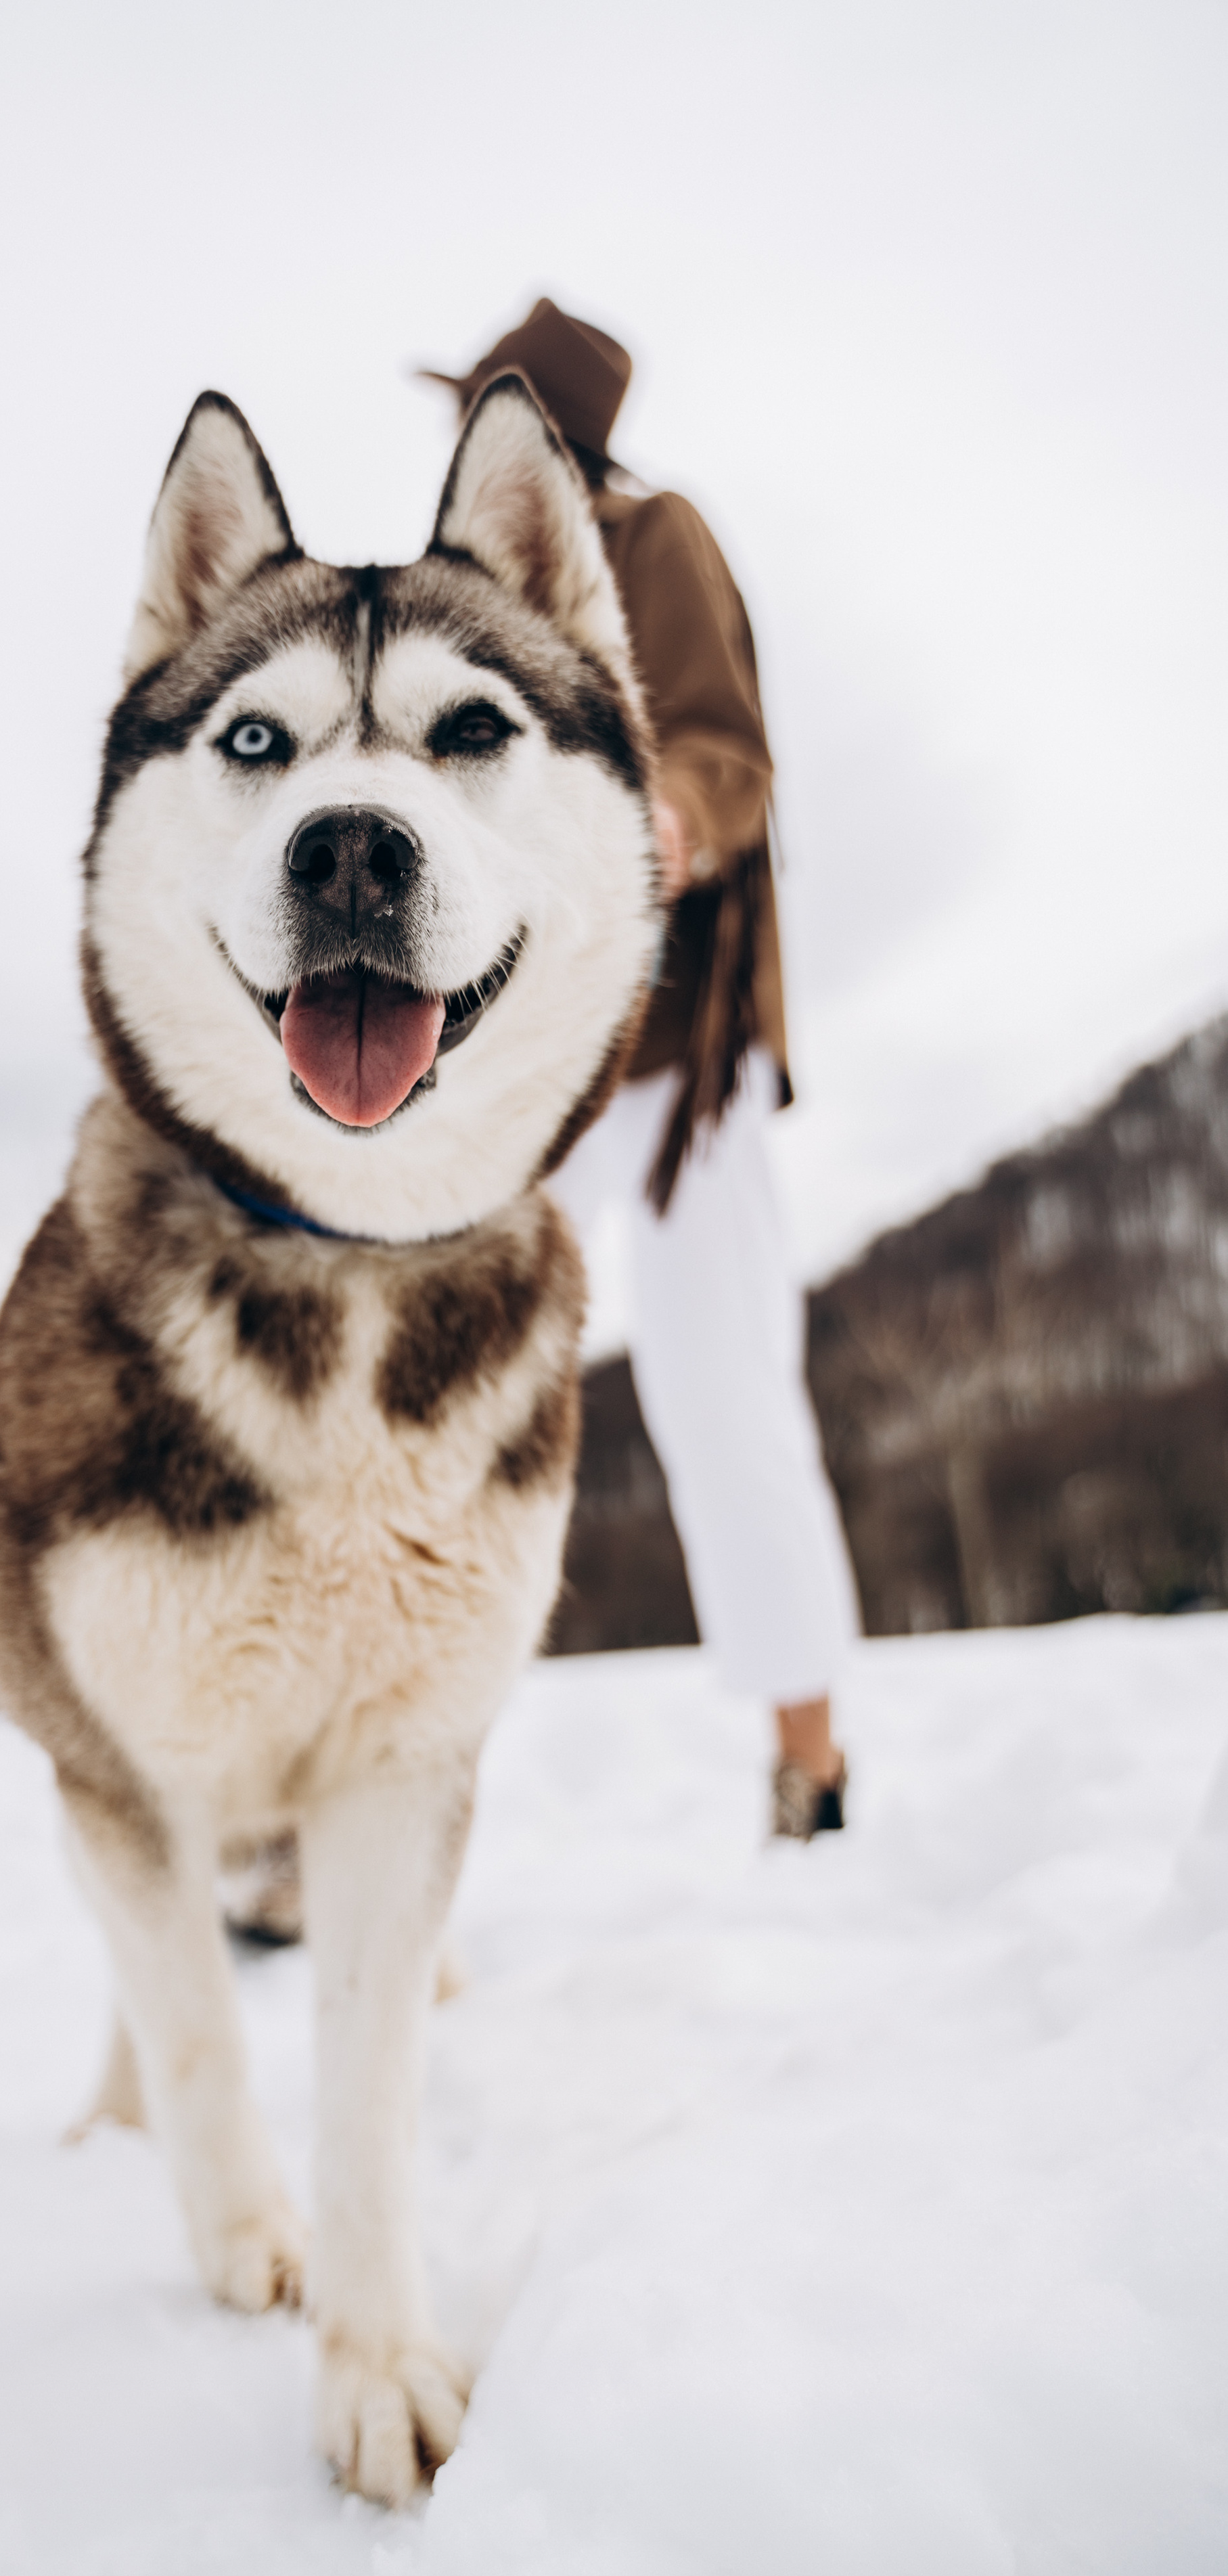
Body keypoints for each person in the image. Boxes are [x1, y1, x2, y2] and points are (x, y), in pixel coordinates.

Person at [420, 299, 858, 1840]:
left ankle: (809, 1762)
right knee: (442, 1406)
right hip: (529, 1058)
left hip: (679, 1060)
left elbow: (725, 754)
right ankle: (378, 1789)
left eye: (480, 415)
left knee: (725, 1396)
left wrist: (660, 818)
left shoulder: (651, 538)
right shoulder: (458, 587)